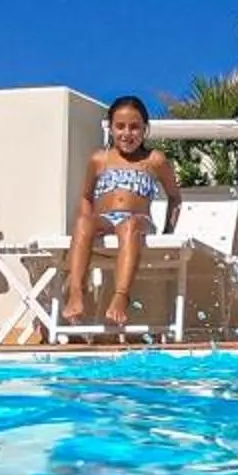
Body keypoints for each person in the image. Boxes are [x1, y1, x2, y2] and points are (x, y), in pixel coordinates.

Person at [65, 96, 182, 335]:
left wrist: (168, 233)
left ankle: (121, 296)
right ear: (110, 128)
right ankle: (77, 291)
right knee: (82, 222)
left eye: (134, 127)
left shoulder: (154, 160)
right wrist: (87, 228)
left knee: (129, 224)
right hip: (105, 219)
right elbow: (87, 197)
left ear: (145, 129)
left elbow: (175, 198)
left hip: (138, 221)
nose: (127, 133)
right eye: (120, 126)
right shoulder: (99, 159)